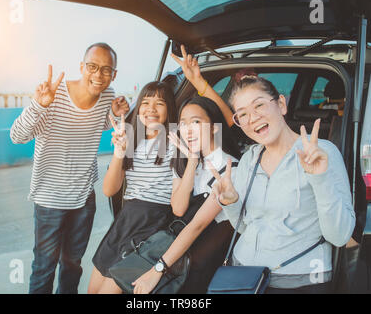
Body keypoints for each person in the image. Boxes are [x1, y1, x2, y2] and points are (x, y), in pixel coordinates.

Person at [131, 45, 355, 294]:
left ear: (281, 104)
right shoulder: (249, 158)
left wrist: (320, 178)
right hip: (242, 274)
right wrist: (231, 202)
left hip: (297, 277)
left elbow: (340, 236)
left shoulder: (322, 154)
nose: (252, 118)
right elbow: (245, 225)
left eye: (259, 106)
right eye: (242, 114)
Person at [10, 42, 129, 294]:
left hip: (84, 199)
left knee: (72, 267)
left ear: (114, 74)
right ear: (81, 67)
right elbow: (17, 136)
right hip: (50, 200)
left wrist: (116, 112)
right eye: (92, 67)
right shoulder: (53, 97)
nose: (98, 75)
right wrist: (38, 105)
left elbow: (95, 125)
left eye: (106, 70)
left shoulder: (107, 95)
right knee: (44, 268)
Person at [88, 81, 177, 294]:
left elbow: (221, 124)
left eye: (160, 103)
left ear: (170, 109)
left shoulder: (176, 141)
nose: (151, 109)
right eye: (145, 102)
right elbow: (109, 190)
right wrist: (120, 151)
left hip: (151, 225)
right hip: (125, 220)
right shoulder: (131, 139)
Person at [168, 96, 240, 293]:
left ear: (215, 127)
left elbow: (197, 226)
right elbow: (179, 208)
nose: (188, 129)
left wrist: (159, 268)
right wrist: (191, 161)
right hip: (186, 253)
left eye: (196, 122)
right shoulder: (186, 161)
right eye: (183, 123)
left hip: (205, 261)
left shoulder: (229, 167)